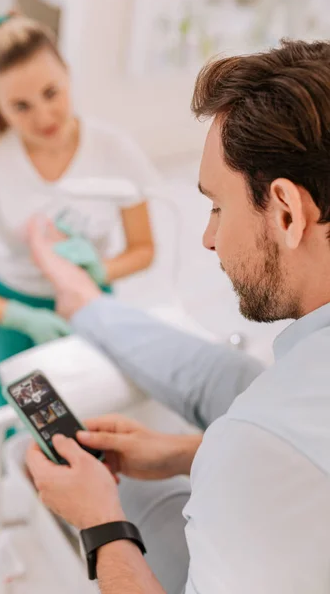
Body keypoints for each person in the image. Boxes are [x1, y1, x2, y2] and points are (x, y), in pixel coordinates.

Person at [26, 39, 330, 594]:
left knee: (129, 487)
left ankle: (86, 306)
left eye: (217, 207)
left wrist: (99, 522)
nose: (209, 238)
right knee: (226, 377)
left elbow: (278, 450)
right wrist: (184, 452)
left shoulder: (254, 447)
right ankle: (88, 307)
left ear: (286, 211)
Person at [0, 13, 159, 487]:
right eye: (21, 106)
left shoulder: (115, 150)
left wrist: (99, 269)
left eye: (51, 93)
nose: (44, 116)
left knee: (79, 424)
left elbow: (144, 248)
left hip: (85, 302)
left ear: (68, 76)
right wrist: (19, 316)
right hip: (2, 307)